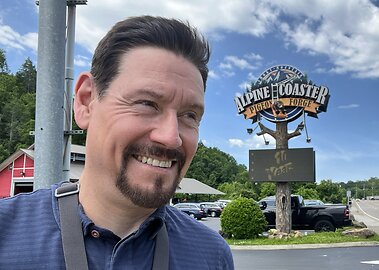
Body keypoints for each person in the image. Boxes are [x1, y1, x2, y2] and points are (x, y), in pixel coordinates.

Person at [0, 16, 234, 270]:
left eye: (189, 115)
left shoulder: (211, 255)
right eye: (146, 103)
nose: (171, 137)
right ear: (86, 101)